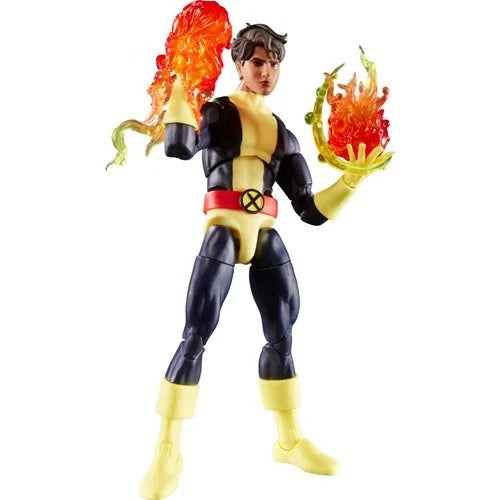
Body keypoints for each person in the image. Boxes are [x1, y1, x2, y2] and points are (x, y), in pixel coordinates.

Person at [140, 23, 371, 499]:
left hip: (264, 232)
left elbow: (309, 210)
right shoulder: (218, 111)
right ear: (240, 65)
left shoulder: (283, 134)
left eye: (274, 63)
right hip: (224, 227)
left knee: (283, 331)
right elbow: (180, 147)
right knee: (196, 332)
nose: (267, 72)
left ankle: (288, 440)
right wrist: (181, 85)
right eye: (258, 62)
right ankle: (167, 451)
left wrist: (351, 180)